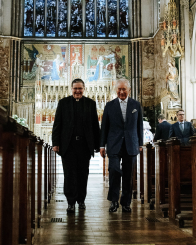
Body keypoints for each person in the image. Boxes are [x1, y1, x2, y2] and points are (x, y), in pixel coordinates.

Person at [52, 78, 100, 214]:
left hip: (84, 146)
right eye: (75, 88)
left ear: (84, 89)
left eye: (80, 88)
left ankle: (81, 200)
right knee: (69, 174)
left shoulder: (90, 104)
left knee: (83, 174)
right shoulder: (63, 103)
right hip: (68, 145)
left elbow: (95, 126)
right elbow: (57, 124)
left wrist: (97, 144)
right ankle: (71, 202)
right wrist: (55, 143)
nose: (77, 91)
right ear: (71, 89)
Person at [100, 78, 143, 213]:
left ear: (129, 90)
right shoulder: (109, 105)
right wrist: (102, 145)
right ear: (116, 90)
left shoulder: (136, 105)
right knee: (113, 171)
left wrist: (140, 144)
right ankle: (113, 201)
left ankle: (126, 203)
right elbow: (104, 127)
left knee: (128, 174)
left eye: (124, 89)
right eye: (119, 89)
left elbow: (139, 126)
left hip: (131, 143)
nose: (122, 92)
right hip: (114, 144)